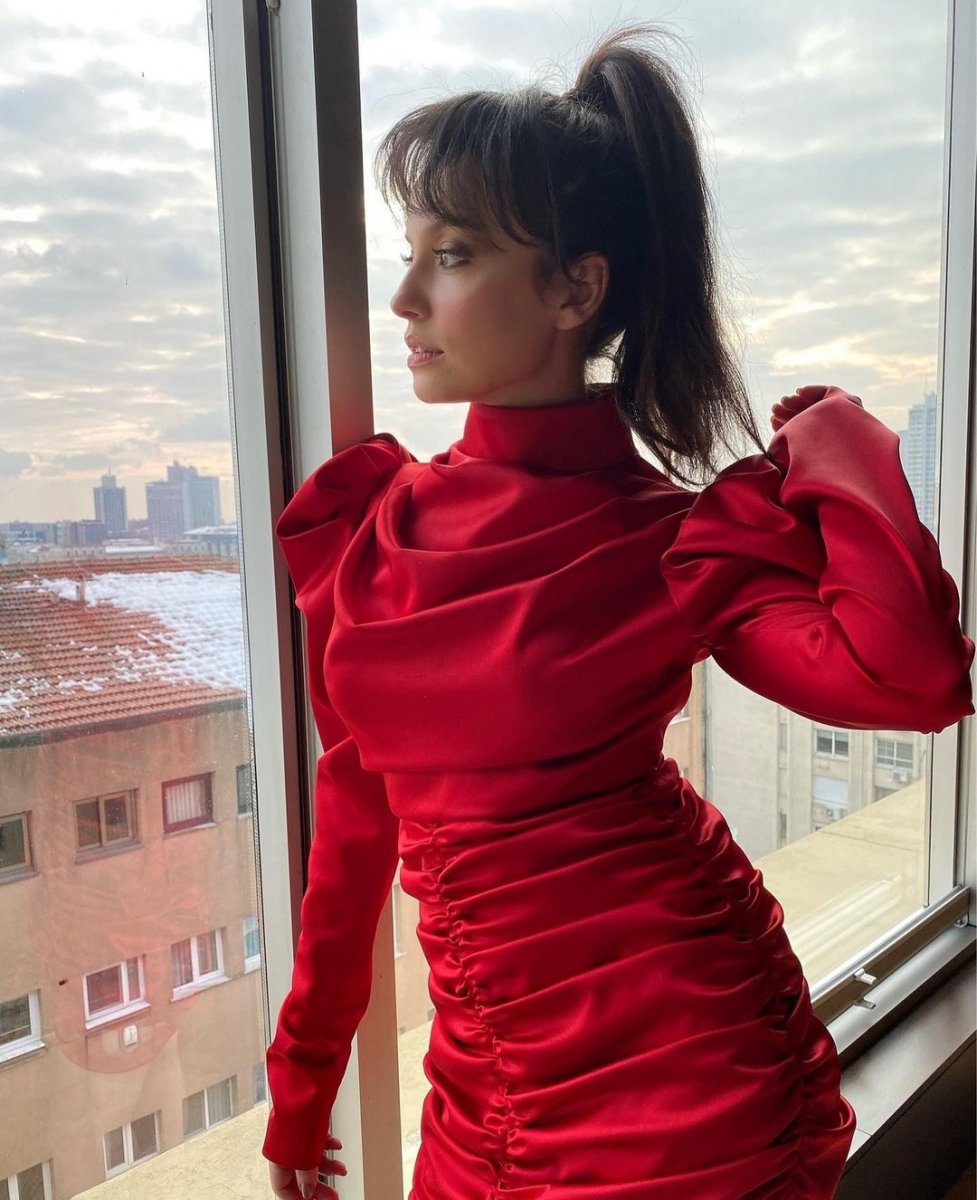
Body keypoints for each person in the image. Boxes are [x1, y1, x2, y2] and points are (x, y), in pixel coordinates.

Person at [263, 22, 975, 1200]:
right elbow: (353, 819)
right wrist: (302, 1082)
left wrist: (832, 435)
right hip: (482, 1085)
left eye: (451, 255)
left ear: (574, 288)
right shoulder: (371, 524)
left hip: (679, 1081)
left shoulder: (672, 538)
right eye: (410, 252)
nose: (402, 297)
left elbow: (912, 678)